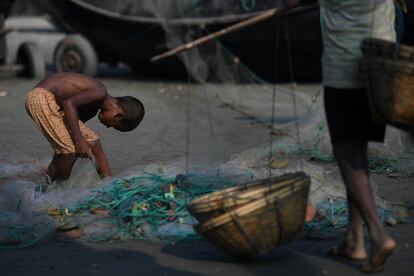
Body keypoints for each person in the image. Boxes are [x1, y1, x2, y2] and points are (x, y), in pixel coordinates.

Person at [283, 0, 396, 273]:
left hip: (346, 65)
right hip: (382, 57)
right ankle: (354, 239)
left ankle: (377, 235)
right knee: (358, 146)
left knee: (346, 150)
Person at [25, 72, 145, 182]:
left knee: (93, 142)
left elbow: (69, 131)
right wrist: (79, 141)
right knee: (69, 151)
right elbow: (68, 104)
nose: (108, 127)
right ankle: (57, 192)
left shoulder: (92, 109)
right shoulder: (100, 93)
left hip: (52, 104)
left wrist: (78, 141)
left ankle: (109, 184)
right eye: (113, 126)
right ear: (118, 115)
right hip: (40, 97)